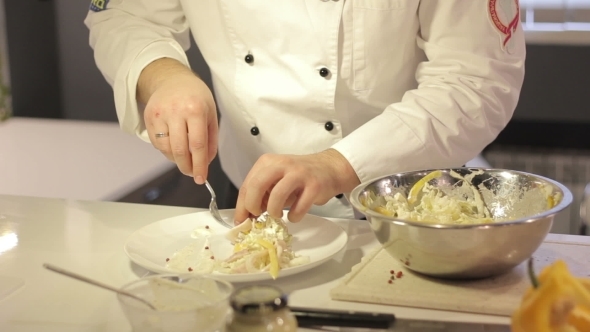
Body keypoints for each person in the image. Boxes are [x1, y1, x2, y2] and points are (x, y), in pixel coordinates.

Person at [84, 0, 525, 224]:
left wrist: (337, 164)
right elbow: (124, 14)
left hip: (419, 209)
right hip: (258, 213)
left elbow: (476, 80)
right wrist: (162, 76)